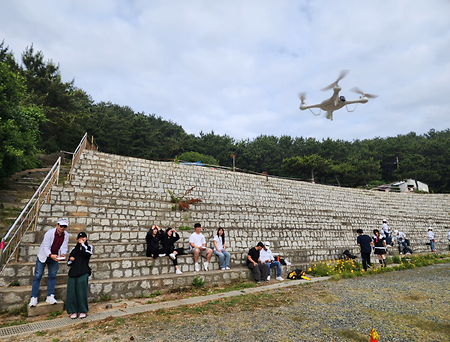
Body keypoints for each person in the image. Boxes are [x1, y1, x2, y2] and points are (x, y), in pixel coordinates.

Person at [29, 218, 70, 307]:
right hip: (44, 255)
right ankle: (33, 297)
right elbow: (45, 247)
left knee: (52, 275)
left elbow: (64, 246)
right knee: (38, 276)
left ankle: (50, 295)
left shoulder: (66, 235)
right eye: (61, 226)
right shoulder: (49, 233)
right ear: (57, 225)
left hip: (55, 257)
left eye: (65, 226)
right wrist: (50, 255)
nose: (62, 228)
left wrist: (63, 254)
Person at [66, 232, 93, 319]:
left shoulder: (89, 247)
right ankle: (73, 311)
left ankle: (82, 310)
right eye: (80, 238)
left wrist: (83, 245)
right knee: (71, 292)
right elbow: (68, 263)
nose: (82, 239)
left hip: (83, 271)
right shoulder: (74, 249)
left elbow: (88, 254)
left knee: (81, 292)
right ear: (77, 239)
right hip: (73, 272)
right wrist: (71, 259)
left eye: (84, 237)